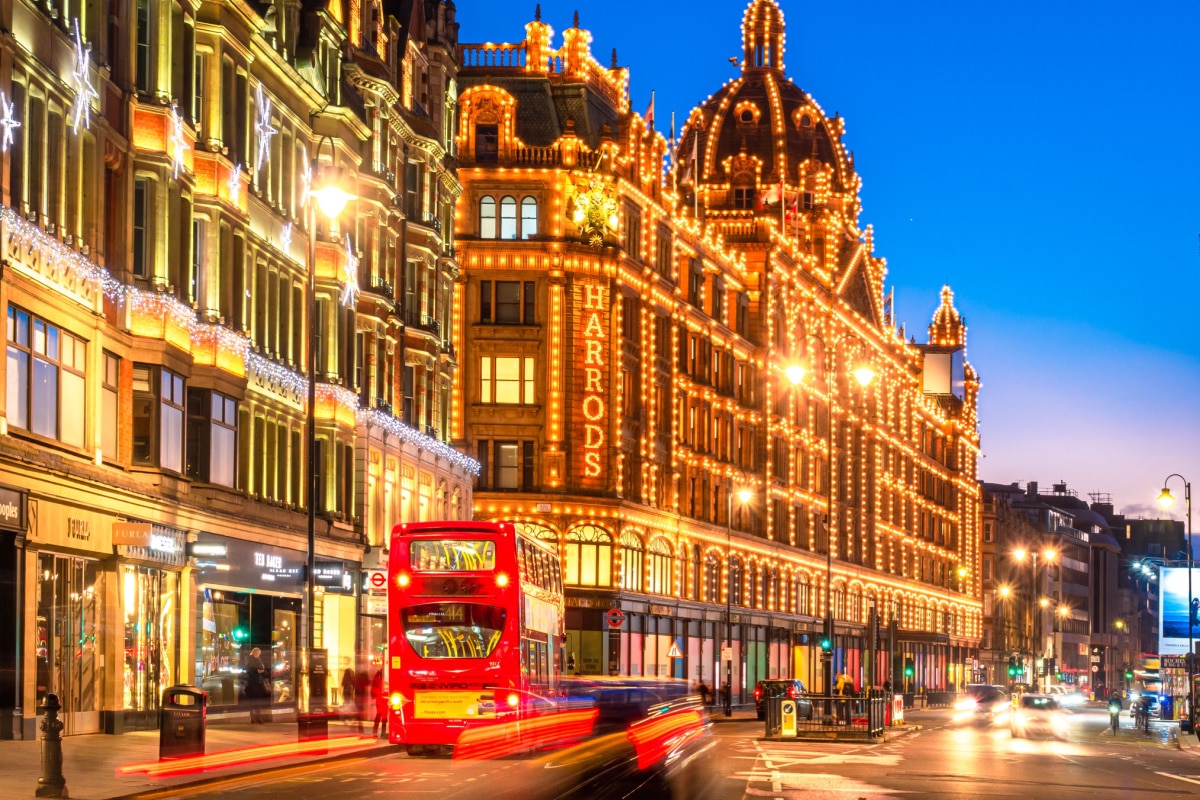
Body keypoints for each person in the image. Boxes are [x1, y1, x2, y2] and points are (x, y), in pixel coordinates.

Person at [243, 647, 269, 723]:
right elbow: (248, 671)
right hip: (252, 683)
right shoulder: (249, 661)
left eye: (258, 653)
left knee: (258, 701)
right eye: (256, 653)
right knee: (253, 701)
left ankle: (258, 717)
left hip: (259, 683)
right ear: (253, 653)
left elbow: (265, 672)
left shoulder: (260, 661)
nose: (257, 655)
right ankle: (252, 717)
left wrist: (262, 672)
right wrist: (256, 671)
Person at [371, 670, 389, 738]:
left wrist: (374, 695)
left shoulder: (378, 675)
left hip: (381, 698)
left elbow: (374, 686)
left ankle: (376, 732)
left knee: (380, 715)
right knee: (382, 715)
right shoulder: (383, 676)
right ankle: (382, 733)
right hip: (384, 698)